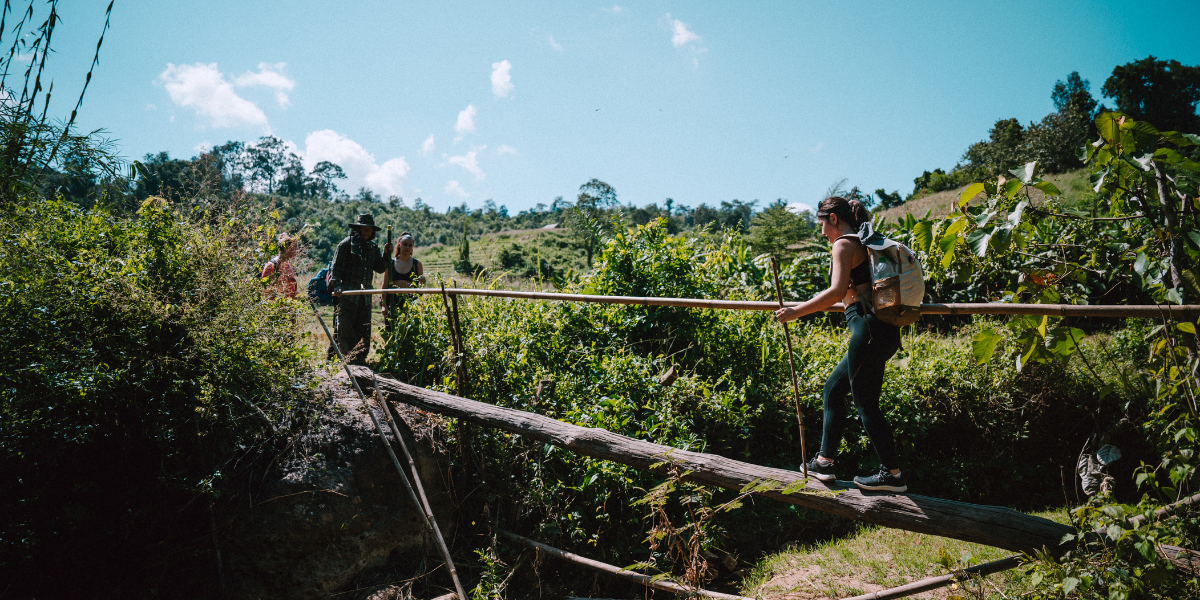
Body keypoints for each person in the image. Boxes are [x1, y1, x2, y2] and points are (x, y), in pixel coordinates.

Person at [774, 196, 906, 492]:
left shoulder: (844, 244)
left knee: (865, 404)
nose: (821, 232)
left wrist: (795, 312)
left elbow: (836, 292)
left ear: (833, 219)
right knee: (835, 390)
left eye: (822, 223)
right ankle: (824, 462)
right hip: (882, 331)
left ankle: (892, 474)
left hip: (868, 329)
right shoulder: (864, 243)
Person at [329, 214, 392, 365]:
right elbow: (335, 269)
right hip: (348, 296)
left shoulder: (373, 247)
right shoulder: (345, 245)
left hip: (365, 297)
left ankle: (360, 361)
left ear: (372, 231)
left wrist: (386, 254)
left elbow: (380, 268)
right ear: (358, 229)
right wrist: (337, 286)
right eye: (363, 229)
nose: (366, 232)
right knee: (345, 329)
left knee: (363, 329)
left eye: (369, 229)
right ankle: (346, 361)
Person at [382, 231, 425, 331]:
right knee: (391, 334)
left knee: (409, 334)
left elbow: (422, 289)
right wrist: (384, 305)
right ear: (399, 245)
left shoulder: (417, 264)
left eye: (410, 245)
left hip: (410, 304)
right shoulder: (391, 263)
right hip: (392, 303)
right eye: (405, 244)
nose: (407, 247)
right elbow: (384, 285)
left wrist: (423, 281)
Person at [261, 233, 298, 299]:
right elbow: (265, 291)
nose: (296, 252)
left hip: (288, 307)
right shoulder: (271, 266)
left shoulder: (289, 266)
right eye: (294, 249)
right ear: (287, 248)